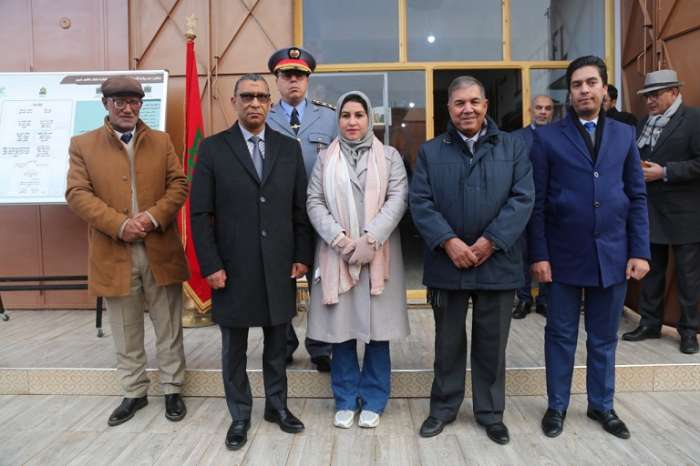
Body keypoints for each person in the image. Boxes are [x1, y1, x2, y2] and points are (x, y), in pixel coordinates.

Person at [529, 56, 650, 440]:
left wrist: (640, 251)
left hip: (612, 254)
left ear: (604, 88)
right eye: (577, 84)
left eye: (591, 83)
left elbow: (637, 195)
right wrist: (539, 255)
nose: (584, 90)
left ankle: (602, 405)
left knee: (603, 337)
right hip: (562, 257)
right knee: (560, 335)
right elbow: (537, 203)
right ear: (569, 92)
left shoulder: (624, 135)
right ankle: (557, 406)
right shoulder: (547, 138)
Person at [190, 74, 314, 450]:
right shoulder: (213, 149)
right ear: (234, 102)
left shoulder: (288, 149)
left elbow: (300, 208)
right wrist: (210, 265)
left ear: (270, 103)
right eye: (247, 96)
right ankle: (240, 414)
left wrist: (302, 255)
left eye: (261, 97)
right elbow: (200, 214)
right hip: (232, 268)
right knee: (235, 349)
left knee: (277, 345)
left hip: (278, 265)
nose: (255, 103)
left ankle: (277, 407)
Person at [410, 76, 534, 445]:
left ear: (485, 106)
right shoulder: (431, 151)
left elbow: (523, 198)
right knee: (447, 343)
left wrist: (490, 242)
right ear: (448, 108)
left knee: (491, 344)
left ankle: (490, 413)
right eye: (460, 103)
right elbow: (420, 202)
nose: (468, 109)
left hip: (498, 262)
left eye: (474, 102)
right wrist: (449, 242)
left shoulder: (513, 148)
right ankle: (443, 409)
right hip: (447, 264)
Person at [65, 76, 189, 427]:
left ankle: (173, 389)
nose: (127, 108)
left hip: (159, 248)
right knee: (125, 326)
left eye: (134, 101)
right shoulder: (83, 144)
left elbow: (179, 184)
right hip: (114, 251)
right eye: (119, 101)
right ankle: (134, 391)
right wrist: (120, 224)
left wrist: (151, 217)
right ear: (106, 104)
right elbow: (77, 193)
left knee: (169, 324)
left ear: (140, 105)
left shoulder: (161, 141)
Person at [306, 91, 409, 429]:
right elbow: (314, 201)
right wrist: (339, 240)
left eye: (358, 115)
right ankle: (346, 398)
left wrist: (370, 239)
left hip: (378, 256)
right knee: (342, 332)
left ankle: (375, 399)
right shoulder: (325, 158)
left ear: (370, 119)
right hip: (338, 255)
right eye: (345, 115)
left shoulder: (390, 156)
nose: (352, 122)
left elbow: (398, 198)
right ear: (338, 119)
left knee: (378, 333)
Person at [266, 46, 337, 372]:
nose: (293, 81)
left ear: (308, 80)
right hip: (279, 216)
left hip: (320, 215)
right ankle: (283, 344)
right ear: (277, 80)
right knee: (280, 282)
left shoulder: (330, 117)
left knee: (321, 281)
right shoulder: (263, 117)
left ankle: (321, 345)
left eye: (299, 75)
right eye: (287, 75)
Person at [622, 69, 700, 354]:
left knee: (688, 277)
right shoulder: (643, 123)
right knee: (651, 271)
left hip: (685, 214)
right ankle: (650, 323)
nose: (649, 101)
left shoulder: (694, 119)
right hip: (650, 210)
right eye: (647, 96)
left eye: (655, 95)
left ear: (674, 92)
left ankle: (689, 332)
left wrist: (665, 172)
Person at [511, 95, 555, 319]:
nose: (543, 112)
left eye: (548, 108)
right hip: (522, 204)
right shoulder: (516, 139)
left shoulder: (560, 137)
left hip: (551, 206)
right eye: (539, 108)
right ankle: (524, 299)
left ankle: (545, 300)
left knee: (548, 252)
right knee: (522, 253)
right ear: (530, 110)